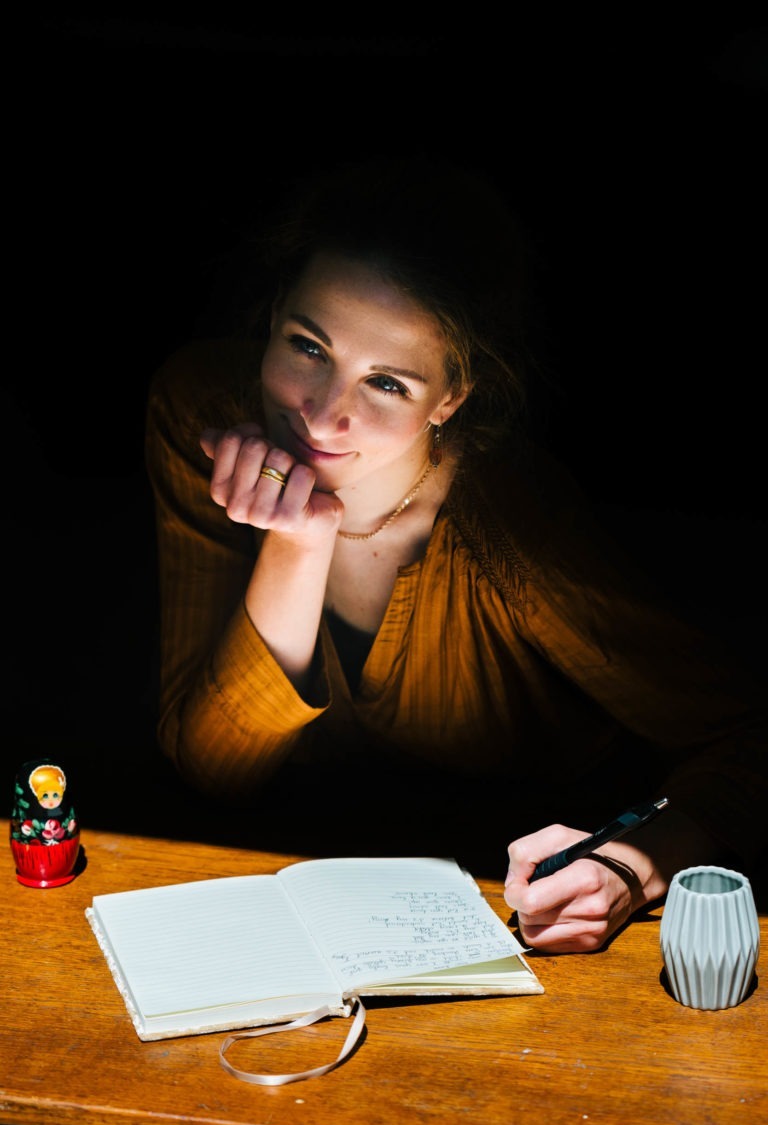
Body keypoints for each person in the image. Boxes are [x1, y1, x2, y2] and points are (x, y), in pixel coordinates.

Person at [145, 152, 767, 954]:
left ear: (452, 398)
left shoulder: (509, 537)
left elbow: (749, 737)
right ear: (271, 316)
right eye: (308, 345)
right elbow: (211, 769)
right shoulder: (203, 416)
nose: (324, 415)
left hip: (517, 904)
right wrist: (300, 538)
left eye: (388, 384)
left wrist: (627, 868)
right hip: (301, 888)